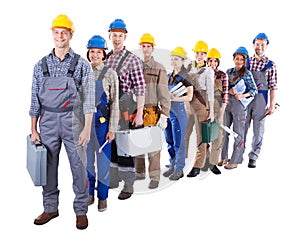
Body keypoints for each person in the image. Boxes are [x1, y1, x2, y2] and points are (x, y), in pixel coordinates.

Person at [29, 14, 95, 229]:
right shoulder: (41, 65)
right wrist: (33, 128)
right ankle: (50, 208)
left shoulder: (81, 65)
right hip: (47, 121)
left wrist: (86, 128)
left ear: (70, 35)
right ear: (52, 34)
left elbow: (89, 99)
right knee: (47, 166)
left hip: (73, 120)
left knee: (78, 166)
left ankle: (81, 210)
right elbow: (34, 99)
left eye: (64, 32)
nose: (60, 36)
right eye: (56, 32)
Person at [105, 19, 146, 200]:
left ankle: (128, 184)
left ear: (125, 37)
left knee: (124, 146)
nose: (117, 39)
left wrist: (139, 114)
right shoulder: (106, 58)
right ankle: (113, 178)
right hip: (108, 107)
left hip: (125, 107)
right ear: (110, 36)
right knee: (110, 143)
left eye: (120, 36)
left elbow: (141, 88)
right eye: (114, 35)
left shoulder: (132, 60)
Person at [85, 35, 119, 211]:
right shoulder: (83, 72)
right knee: (88, 161)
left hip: (103, 125)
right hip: (86, 125)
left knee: (103, 162)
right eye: (92, 52)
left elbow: (115, 104)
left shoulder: (111, 74)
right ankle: (89, 193)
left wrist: (112, 129)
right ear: (88, 53)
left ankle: (103, 197)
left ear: (104, 54)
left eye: (99, 52)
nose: (95, 55)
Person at [135, 33, 170, 189]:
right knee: (137, 143)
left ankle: (154, 176)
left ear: (153, 48)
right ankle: (139, 173)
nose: (146, 49)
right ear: (141, 48)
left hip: (152, 112)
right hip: (136, 111)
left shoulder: (159, 69)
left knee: (153, 147)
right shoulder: (136, 66)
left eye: (149, 46)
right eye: (144, 46)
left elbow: (164, 94)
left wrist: (165, 115)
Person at [220, 46, 257, 169]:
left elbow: (254, 90)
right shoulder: (229, 72)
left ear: (245, 61)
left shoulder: (247, 74)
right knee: (224, 131)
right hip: (227, 104)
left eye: (242, 59)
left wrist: (242, 95)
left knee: (238, 133)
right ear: (233, 59)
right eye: (237, 59)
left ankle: (235, 160)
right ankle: (224, 157)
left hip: (239, 106)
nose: (239, 61)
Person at [244, 33, 278, 168]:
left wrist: (272, 105)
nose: (259, 47)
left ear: (266, 46)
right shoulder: (246, 62)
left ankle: (253, 157)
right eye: (257, 44)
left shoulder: (271, 65)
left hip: (261, 100)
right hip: (245, 99)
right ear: (253, 45)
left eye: (262, 44)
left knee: (258, 131)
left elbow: (273, 86)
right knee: (241, 129)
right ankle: (237, 155)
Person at [185, 40, 216, 177]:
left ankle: (197, 166)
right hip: (187, 102)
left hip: (201, 102)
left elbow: (210, 92)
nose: (200, 56)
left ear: (206, 55)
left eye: (203, 53)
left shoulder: (208, 71)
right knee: (185, 134)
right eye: (198, 53)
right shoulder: (189, 67)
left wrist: (211, 111)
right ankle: (203, 159)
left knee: (201, 135)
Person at [163, 46, 193, 180]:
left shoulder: (186, 77)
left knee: (178, 142)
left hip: (179, 112)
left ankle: (179, 169)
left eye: (176, 59)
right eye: (172, 59)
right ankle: (172, 164)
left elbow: (189, 97)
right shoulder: (169, 76)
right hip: (168, 112)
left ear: (182, 61)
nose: (174, 62)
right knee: (169, 140)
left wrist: (174, 98)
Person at [206, 48, 229, 174]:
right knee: (204, 135)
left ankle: (213, 163)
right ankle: (205, 159)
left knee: (218, 136)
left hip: (218, 107)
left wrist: (220, 114)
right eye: (210, 60)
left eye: (215, 61)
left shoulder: (222, 75)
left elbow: (225, 96)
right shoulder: (202, 74)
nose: (213, 63)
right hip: (205, 107)